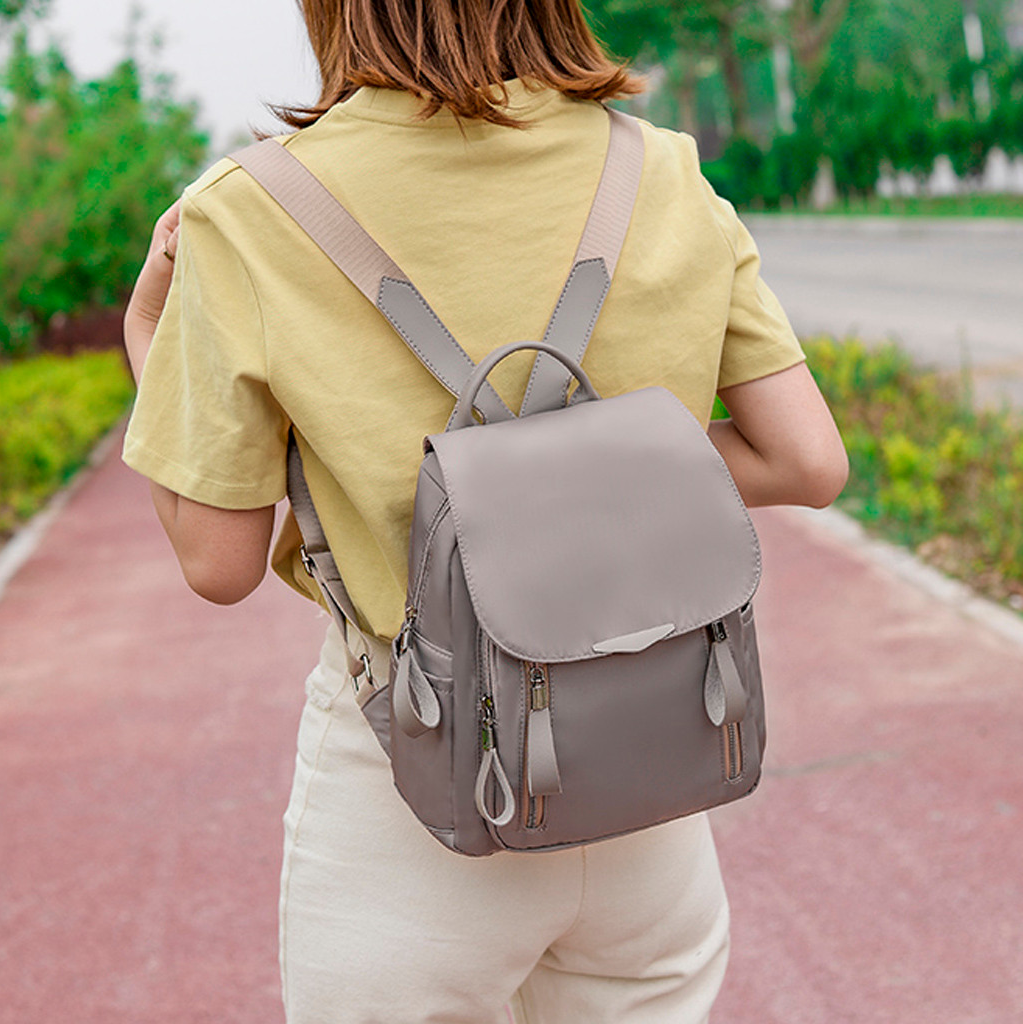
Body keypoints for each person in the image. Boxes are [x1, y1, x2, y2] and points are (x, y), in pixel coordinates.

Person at [122, 1, 849, 1020]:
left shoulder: (247, 212)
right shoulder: (659, 168)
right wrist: (596, 470)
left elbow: (217, 557)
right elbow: (806, 457)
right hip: (649, 772)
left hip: (410, 801)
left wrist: (147, 328)